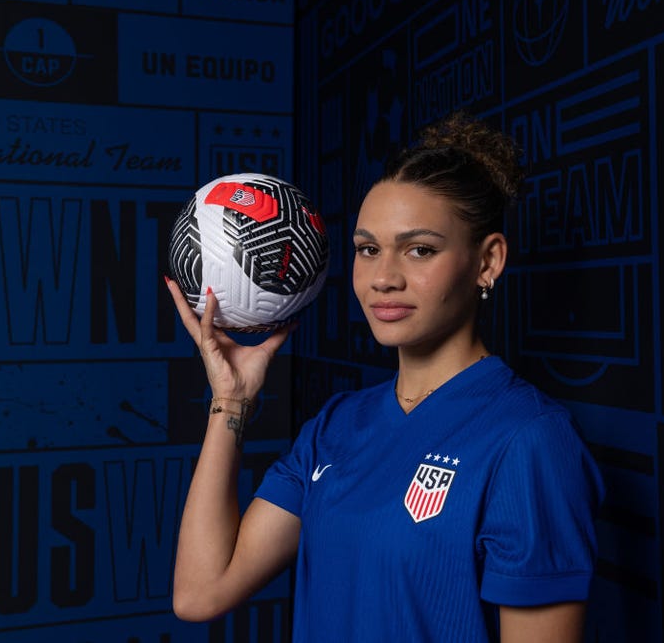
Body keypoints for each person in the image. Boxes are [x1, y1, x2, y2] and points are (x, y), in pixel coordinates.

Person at [166, 111, 604, 642]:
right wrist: (230, 401)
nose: (384, 279)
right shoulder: (336, 426)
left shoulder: (529, 439)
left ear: (487, 262)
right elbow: (200, 593)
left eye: (420, 250)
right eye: (368, 249)